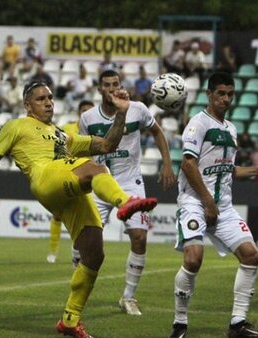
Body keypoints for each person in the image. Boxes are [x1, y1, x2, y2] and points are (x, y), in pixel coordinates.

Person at [0, 81, 158, 338]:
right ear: (27, 105)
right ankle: (124, 201)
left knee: (94, 253)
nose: (48, 102)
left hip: (66, 187)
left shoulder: (64, 136)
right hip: (44, 176)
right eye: (40, 99)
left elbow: (108, 145)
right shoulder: (16, 126)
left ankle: (70, 320)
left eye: (50, 97)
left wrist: (121, 113)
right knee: (94, 168)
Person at [169, 72, 258, 338]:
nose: (226, 99)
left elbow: (228, 170)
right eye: (221, 93)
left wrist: (257, 169)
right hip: (196, 202)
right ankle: (180, 325)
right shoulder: (198, 124)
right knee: (193, 259)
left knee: (251, 255)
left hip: (223, 206)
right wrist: (207, 201)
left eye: (230, 94)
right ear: (209, 94)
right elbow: (188, 163)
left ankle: (237, 324)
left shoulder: (231, 128)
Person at [79, 69, 176, 316]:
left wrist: (167, 163)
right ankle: (79, 288)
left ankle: (128, 297)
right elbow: (81, 154)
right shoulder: (88, 118)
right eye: (107, 85)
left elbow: (157, 132)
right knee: (86, 243)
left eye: (116, 84)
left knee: (140, 237)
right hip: (100, 183)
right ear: (99, 89)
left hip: (130, 183)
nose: (112, 89)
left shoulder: (138, 109)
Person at [47, 99, 95, 264]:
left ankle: (81, 253)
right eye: (83, 111)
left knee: (86, 221)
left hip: (90, 181)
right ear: (79, 113)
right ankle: (53, 252)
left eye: (89, 111)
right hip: (69, 177)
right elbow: (58, 151)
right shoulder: (67, 129)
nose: (86, 114)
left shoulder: (98, 131)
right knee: (57, 216)